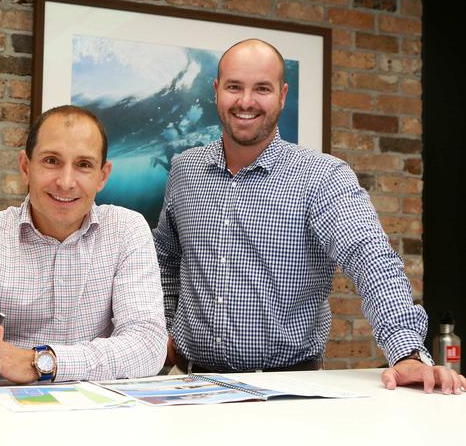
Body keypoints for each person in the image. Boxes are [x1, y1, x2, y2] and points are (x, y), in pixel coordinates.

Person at [153, 38, 466, 394]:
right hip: (193, 387)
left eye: (262, 89)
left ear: (283, 95)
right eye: (234, 87)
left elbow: (371, 259)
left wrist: (406, 352)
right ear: (216, 90)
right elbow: (165, 257)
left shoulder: (322, 176)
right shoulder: (184, 170)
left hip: (288, 390)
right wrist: (162, 331)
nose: (245, 101)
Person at [0, 105, 167, 393]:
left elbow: (148, 345)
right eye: (51, 161)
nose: (65, 182)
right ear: (26, 167)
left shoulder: (127, 230)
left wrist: (35, 362)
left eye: (84, 165)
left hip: (99, 413)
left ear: (103, 176)